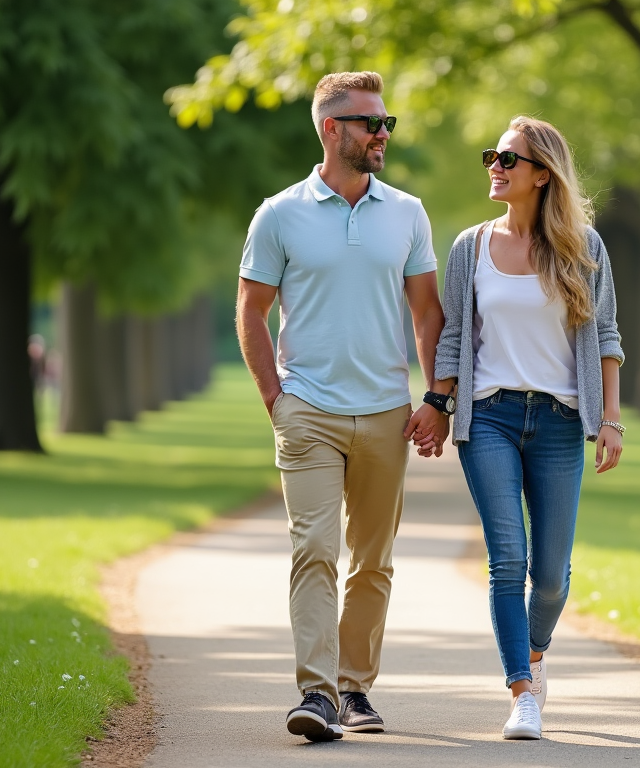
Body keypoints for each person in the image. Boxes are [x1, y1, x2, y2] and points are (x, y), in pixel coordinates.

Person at [235, 71, 448, 742]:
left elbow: (428, 315)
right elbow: (252, 310)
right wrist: (278, 399)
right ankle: (317, 694)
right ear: (332, 130)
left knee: (373, 558)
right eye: (370, 123)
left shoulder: (408, 213)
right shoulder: (279, 213)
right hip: (309, 412)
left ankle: (356, 688)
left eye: (386, 123)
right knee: (314, 549)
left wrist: (437, 398)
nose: (384, 133)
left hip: (386, 411)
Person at [428, 116, 625, 740]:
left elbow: (608, 339)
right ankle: (522, 693)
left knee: (552, 576)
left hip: (563, 422)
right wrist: (437, 401)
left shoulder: (584, 248)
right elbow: (454, 337)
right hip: (489, 416)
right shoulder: (469, 247)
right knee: (507, 558)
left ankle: (535, 656)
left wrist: (611, 421)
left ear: (543, 174)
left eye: (508, 159)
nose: (495, 166)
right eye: (493, 156)